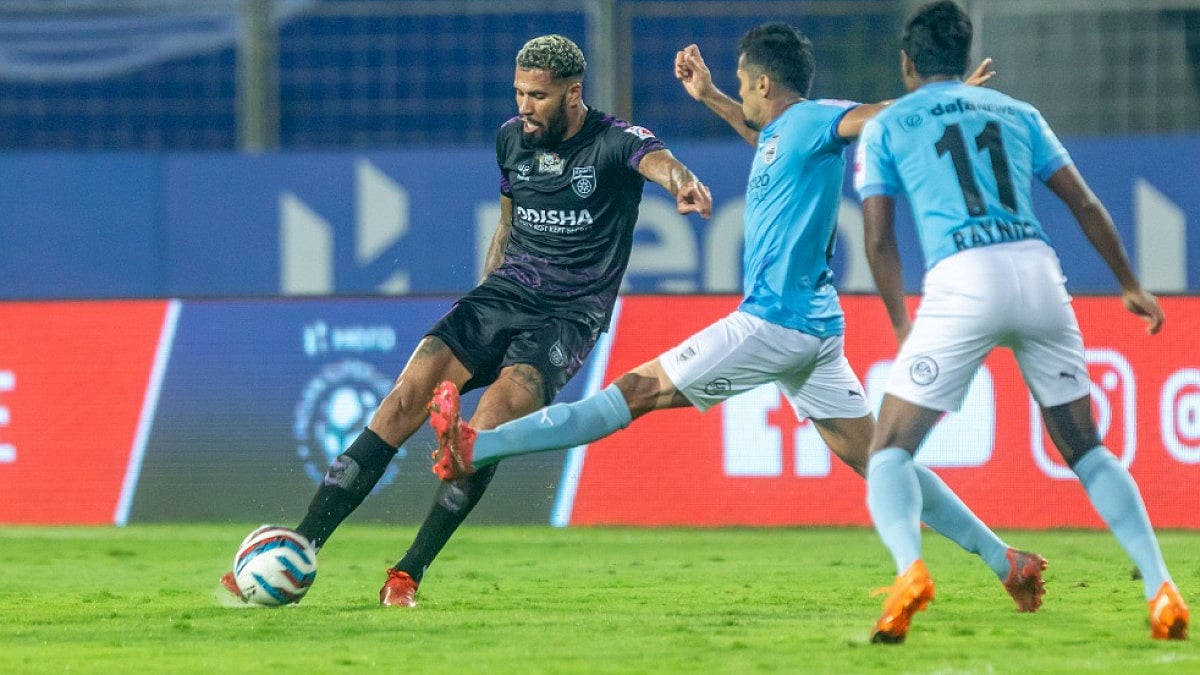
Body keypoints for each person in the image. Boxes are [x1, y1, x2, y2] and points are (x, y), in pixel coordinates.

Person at [426, 23, 1049, 615]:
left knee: (635, 392)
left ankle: (481, 445)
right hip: (815, 333)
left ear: (765, 85)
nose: (740, 91)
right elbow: (766, 135)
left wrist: (941, 102)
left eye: (742, 81)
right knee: (880, 460)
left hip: (772, 323)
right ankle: (1006, 560)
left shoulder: (814, 119)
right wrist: (713, 96)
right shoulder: (789, 134)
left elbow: (871, 117)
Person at [220, 34, 714, 607]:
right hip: (500, 297)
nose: (525, 107)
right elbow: (508, 223)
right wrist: (483, 293)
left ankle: (406, 575)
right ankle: (300, 547)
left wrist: (684, 184)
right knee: (404, 400)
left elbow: (660, 162)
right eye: (519, 92)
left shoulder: (615, 141)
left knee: (488, 429)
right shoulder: (511, 138)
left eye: (539, 95)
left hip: (566, 319)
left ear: (574, 93)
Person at [853, 0, 1189, 643]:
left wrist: (901, 323)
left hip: (962, 280)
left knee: (890, 451)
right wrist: (1130, 284)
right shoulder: (1018, 112)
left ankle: (908, 571)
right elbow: (1085, 202)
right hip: (1038, 274)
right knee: (1087, 449)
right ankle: (1160, 587)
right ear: (962, 54)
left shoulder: (889, 126)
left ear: (906, 64)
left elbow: (878, 241)